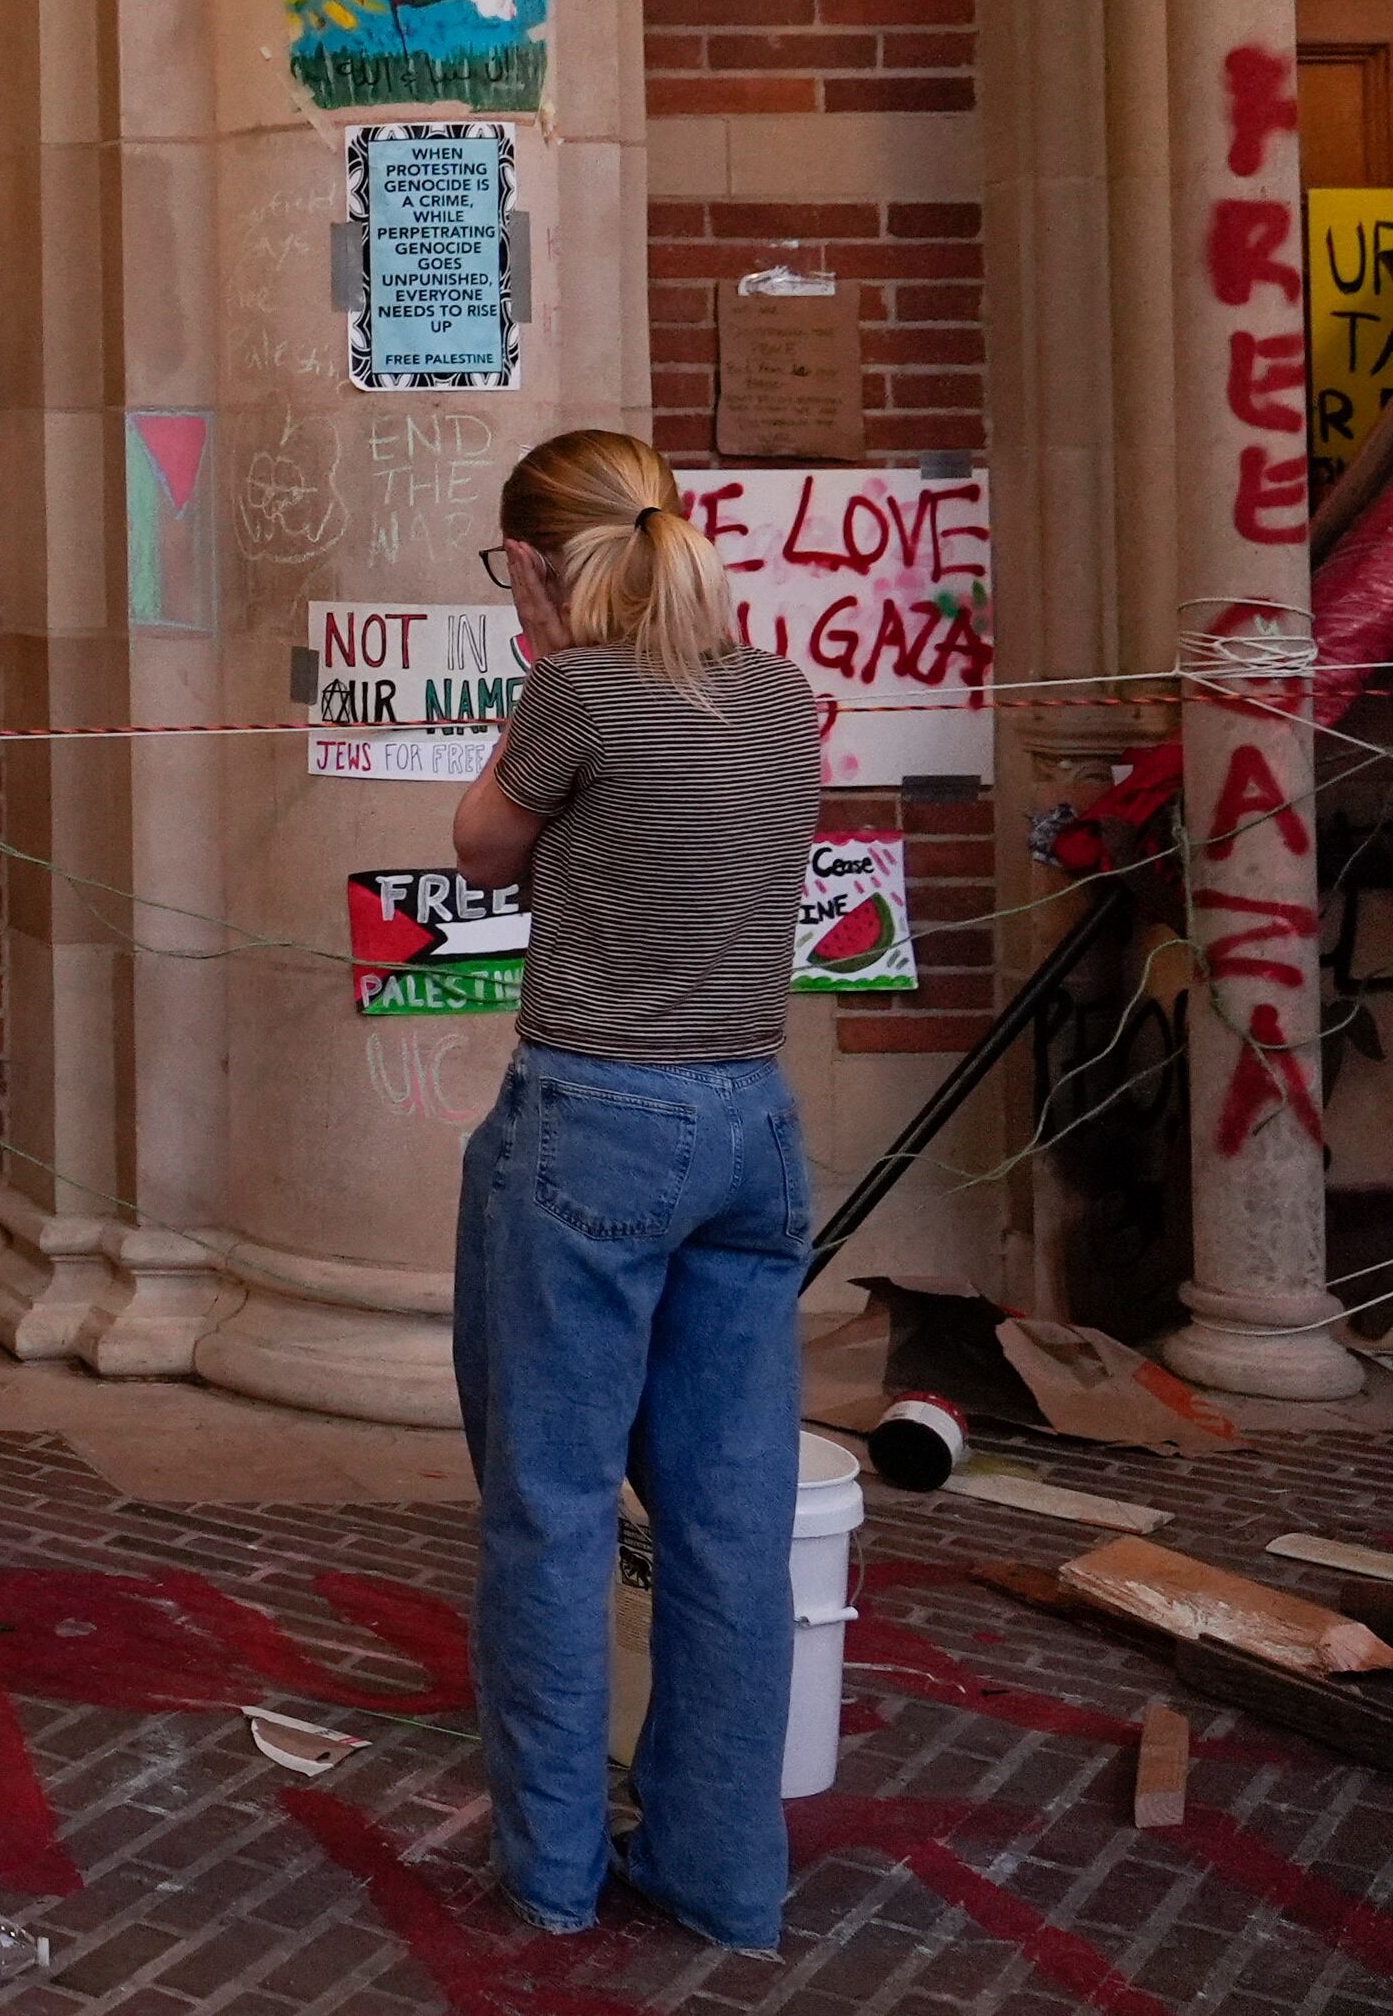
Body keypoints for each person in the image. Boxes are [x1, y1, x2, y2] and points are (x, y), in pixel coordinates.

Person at [443, 428, 823, 1953]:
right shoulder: (784, 694)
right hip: (753, 1126)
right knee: (732, 1526)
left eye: (507, 568)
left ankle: (550, 1875)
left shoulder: (574, 689)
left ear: (537, 563)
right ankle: (726, 1877)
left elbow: (478, 847)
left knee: (549, 1511)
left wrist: (542, 648)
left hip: (593, 1117)